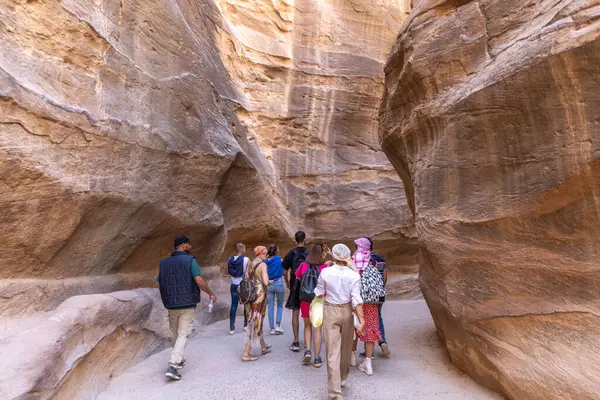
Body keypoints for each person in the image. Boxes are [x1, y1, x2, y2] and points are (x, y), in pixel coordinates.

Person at [157, 235, 217, 381]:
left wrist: (167, 297)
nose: (191, 246)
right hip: (187, 303)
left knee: (175, 333)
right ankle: (173, 365)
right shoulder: (190, 260)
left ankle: (179, 358)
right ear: (183, 245)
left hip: (171, 304)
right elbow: (199, 280)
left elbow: (160, 282)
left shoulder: (163, 263)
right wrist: (210, 293)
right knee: (183, 334)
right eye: (189, 244)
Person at [314, 244, 365, 400]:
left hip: (330, 310)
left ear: (334, 256)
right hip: (348, 311)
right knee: (346, 348)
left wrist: (315, 313)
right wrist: (362, 320)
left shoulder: (325, 272)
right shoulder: (354, 275)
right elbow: (357, 299)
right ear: (347, 257)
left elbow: (318, 293)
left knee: (332, 351)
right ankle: (341, 378)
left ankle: (335, 391)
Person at [295, 244, 330, 367]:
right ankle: (317, 358)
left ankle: (308, 351)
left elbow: (297, 276)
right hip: (318, 300)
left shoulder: (303, 265)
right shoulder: (324, 267)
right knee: (317, 329)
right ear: (321, 253)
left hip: (305, 299)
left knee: (307, 326)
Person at [351, 237, 382, 376]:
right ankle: (368, 363)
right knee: (370, 329)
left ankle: (352, 356)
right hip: (371, 301)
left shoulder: (353, 262)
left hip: (356, 301)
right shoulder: (372, 261)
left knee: (354, 327)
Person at [359, 238, 390, 357]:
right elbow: (385, 277)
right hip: (379, 293)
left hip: (366, 294)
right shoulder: (381, 260)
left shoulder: (362, 259)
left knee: (366, 319)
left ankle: (368, 352)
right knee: (378, 317)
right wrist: (379, 289)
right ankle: (382, 341)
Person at [242, 246, 272, 362]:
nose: (267, 255)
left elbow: (246, 278)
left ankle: (263, 345)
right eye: (265, 253)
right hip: (259, 296)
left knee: (254, 320)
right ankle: (246, 353)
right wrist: (269, 281)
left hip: (250, 295)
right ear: (260, 254)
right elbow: (265, 281)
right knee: (255, 322)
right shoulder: (263, 265)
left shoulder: (250, 263)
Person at [283, 230, 309, 352]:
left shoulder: (290, 253)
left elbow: (284, 270)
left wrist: (287, 282)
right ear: (305, 239)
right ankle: (307, 341)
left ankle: (296, 341)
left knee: (295, 313)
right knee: (308, 315)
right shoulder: (309, 253)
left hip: (295, 285)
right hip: (307, 286)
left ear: (295, 239)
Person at [228, 243, 249, 335]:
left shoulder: (230, 259)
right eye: (244, 249)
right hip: (242, 284)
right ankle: (245, 325)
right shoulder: (246, 259)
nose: (245, 250)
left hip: (233, 284)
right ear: (241, 249)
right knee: (246, 304)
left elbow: (226, 271)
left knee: (233, 305)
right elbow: (248, 273)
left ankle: (232, 328)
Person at [265, 244, 285, 335]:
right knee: (280, 305)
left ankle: (272, 328)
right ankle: (278, 326)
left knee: (270, 307)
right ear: (276, 251)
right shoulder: (279, 260)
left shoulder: (265, 262)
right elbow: (283, 270)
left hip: (269, 284)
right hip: (279, 282)